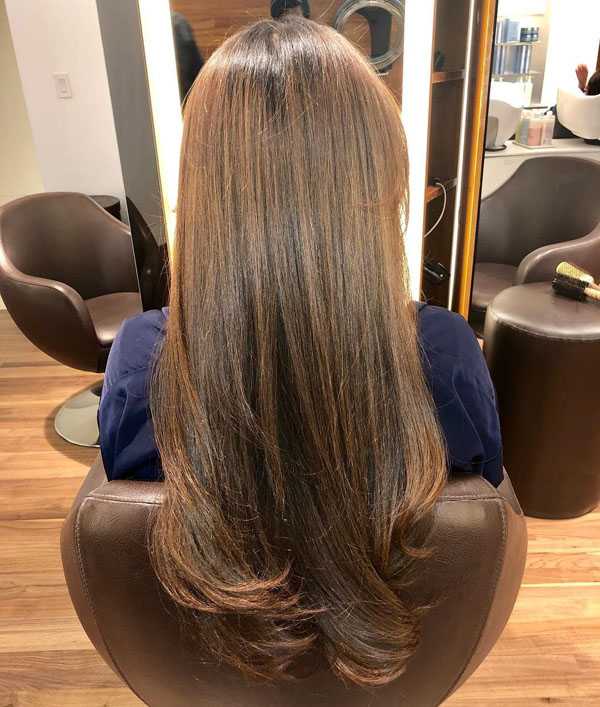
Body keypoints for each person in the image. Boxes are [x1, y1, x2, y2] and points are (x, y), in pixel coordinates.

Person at [99, 17, 502, 686]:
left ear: (202, 189)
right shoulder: (446, 357)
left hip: (206, 675)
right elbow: (479, 509)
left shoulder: (143, 361)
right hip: (394, 675)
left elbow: (126, 517)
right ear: (378, 180)